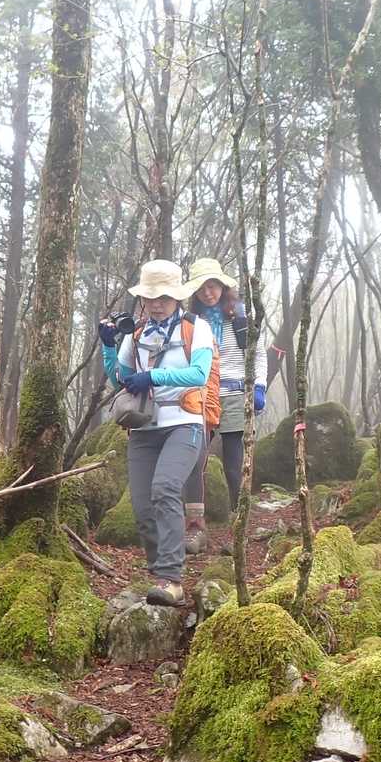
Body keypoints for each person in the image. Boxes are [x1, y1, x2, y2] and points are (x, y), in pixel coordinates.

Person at [99, 260, 214, 605]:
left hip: (185, 422)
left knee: (165, 488)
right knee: (142, 507)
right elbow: (120, 379)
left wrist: (153, 376)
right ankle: (159, 572)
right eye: (150, 297)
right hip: (144, 426)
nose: (156, 303)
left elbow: (199, 374)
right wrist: (108, 346)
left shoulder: (196, 328)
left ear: (176, 297)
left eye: (163, 297)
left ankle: (171, 579)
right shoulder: (136, 334)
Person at [183, 257, 266, 548]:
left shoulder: (240, 318)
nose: (208, 293)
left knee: (234, 465)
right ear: (195, 292)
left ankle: (239, 527)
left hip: (234, 395)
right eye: (202, 288)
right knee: (194, 461)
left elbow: (258, 353)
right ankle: (195, 527)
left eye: (213, 286)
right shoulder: (190, 323)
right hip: (200, 396)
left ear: (222, 286)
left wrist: (259, 387)